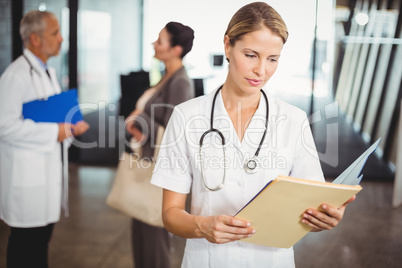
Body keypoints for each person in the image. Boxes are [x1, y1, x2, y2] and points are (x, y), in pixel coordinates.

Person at [151, 2, 355, 267]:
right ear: (227, 45)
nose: (261, 70)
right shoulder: (186, 116)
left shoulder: (293, 120)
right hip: (210, 260)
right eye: (251, 55)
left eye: (272, 59)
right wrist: (202, 226)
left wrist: (323, 219)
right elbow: (170, 214)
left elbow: (308, 210)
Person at [0, 10, 89, 268]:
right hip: (26, 182)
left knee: (39, 246)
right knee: (24, 250)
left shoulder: (47, 72)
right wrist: (55, 132)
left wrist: (70, 129)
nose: (61, 39)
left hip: (46, 178)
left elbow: (56, 119)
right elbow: (4, 126)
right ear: (36, 39)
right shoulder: (15, 75)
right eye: (55, 33)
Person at [125, 21, 195, 268]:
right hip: (149, 165)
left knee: (154, 236)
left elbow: (175, 134)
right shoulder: (167, 77)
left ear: (176, 49)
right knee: (143, 232)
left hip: (159, 171)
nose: (154, 43)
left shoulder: (180, 83)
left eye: (161, 40)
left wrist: (138, 118)